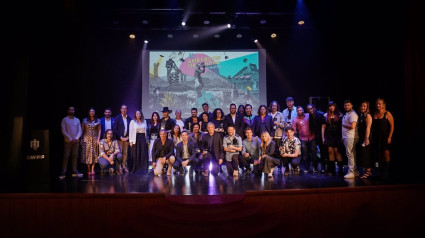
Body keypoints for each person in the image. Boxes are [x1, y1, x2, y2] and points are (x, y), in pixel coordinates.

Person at [372, 98, 394, 179]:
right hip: (376, 137)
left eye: (380, 104)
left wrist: (390, 137)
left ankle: (387, 171)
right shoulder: (375, 114)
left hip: (385, 136)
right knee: (379, 153)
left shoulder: (387, 113)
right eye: (377, 104)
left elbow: (392, 126)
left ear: (383, 105)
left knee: (386, 153)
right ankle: (381, 170)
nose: (378, 105)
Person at [59, 106, 83, 179]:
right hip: (68, 141)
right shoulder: (64, 120)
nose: (71, 111)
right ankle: (64, 171)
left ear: (74, 111)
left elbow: (80, 130)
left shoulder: (77, 120)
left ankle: (75, 170)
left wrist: (76, 138)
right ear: (68, 111)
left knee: (75, 156)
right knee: (66, 156)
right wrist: (70, 139)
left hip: (76, 141)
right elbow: (63, 131)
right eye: (70, 110)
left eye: (73, 110)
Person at [292, 106, 318, 173]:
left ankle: (315, 168)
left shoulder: (308, 116)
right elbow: (293, 130)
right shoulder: (295, 119)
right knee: (305, 154)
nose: (299, 112)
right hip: (302, 139)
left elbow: (316, 118)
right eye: (298, 111)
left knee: (314, 153)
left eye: (300, 110)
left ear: (303, 110)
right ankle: (306, 168)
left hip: (312, 137)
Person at [322, 101, 344, 176]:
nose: (331, 107)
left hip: (337, 136)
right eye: (330, 106)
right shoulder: (325, 115)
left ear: (335, 107)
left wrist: (341, 136)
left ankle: (340, 170)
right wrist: (323, 137)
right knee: (330, 151)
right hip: (328, 136)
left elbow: (342, 127)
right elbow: (323, 127)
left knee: (337, 151)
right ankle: (332, 170)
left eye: (333, 106)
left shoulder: (340, 115)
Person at [81, 108, 101, 176]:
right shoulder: (84, 120)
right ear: (89, 113)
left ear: (94, 113)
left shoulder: (98, 120)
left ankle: (93, 169)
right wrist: (81, 138)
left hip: (94, 139)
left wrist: (98, 139)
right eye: (90, 111)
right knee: (87, 154)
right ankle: (88, 169)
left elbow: (99, 131)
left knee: (94, 154)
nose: (92, 113)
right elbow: (82, 130)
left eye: (93, 111)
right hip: (86, 139)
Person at [342, 100, 359, 179]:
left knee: (350, 154)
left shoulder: (353, 114)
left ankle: (351, 172)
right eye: (345, 105)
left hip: (350, 137)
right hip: (347, 137)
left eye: (348, 105)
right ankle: (354, 171)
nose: (346, 107)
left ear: (351, 105)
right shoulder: (347, 114)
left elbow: (353, 126)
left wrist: (343, 125)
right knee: (351, 154)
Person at [306, 103, 326, 173]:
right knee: (314, 152)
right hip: (315, 136)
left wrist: (323, 137)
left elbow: (324, 126)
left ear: (314, 108)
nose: (310, 110)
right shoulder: (310, 116)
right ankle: (315, 168)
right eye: (308, 109)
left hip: (322, 135)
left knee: (323, 152)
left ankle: (323, 168)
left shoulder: (320, 114)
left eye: (311, 108)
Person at [129, 110, 149, 175]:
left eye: (139, 113)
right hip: (136, 138)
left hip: (143, 138)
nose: (138, 115)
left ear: (141, 114)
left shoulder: (144, 121)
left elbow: (146, 132)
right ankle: (136, 169)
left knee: (143, 153)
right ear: (135, 115)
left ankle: (143, 169)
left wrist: (147, 140)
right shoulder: (132, 122)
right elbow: (130, 132)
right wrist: (131, 141)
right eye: (137, 114)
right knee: (136, 153)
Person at [356, 101, 373, 179]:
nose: (363, 108)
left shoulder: (368, 116)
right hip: (362, 137)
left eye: (365, 106)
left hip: (367, 137)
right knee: (363, 154)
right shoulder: (361, 115)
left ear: (367, 108)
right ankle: (366, 171)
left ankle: (368, 171)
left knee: (366, 154)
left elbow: (368, 127)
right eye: (362, 106)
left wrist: (366, 138)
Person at [113, 104, 132, 173]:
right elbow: (115, 129)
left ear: (127, 110)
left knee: (125, 153)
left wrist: (127, 137)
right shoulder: (117, 118)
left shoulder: (129, 118)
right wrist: (121, 137)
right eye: (123, 109)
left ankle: (124, 166)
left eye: (125, 109)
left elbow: (131, 129)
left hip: (126, 139)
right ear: (120, 109)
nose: (124, 110)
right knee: (119, 154)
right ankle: (119, 167)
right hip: (119, 139)